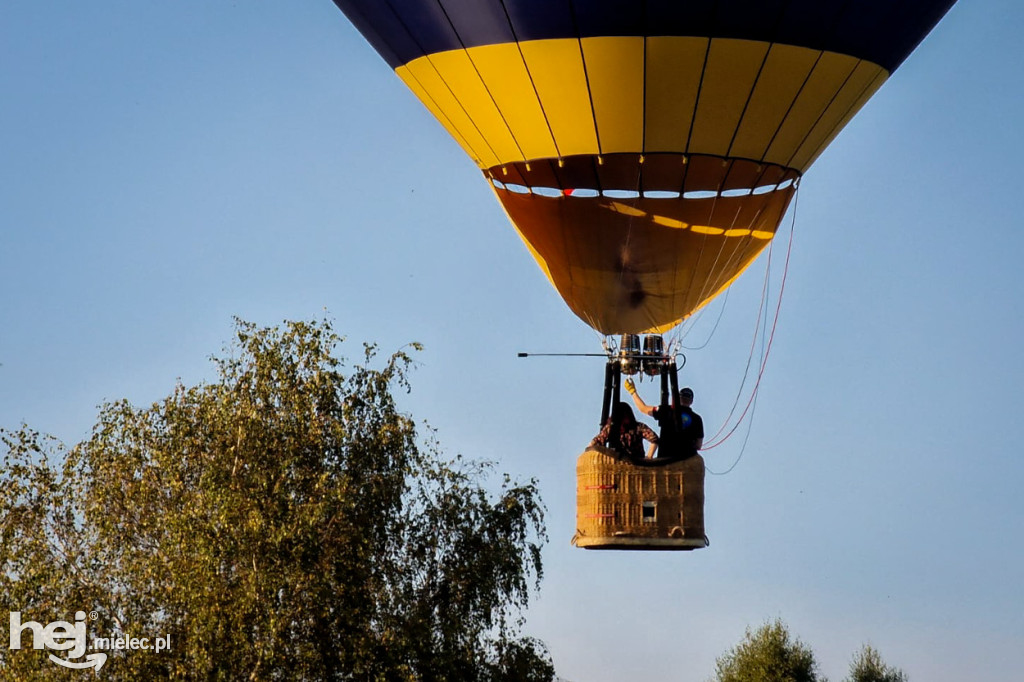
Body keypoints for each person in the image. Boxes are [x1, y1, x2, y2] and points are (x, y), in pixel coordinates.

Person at [624, 379, 703, 459]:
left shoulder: (666, 410)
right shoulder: (697, 419)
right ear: (691, 401)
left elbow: (643, 408)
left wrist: (632, 391)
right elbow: (698, 445)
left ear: (678, 398)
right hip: (686, 461)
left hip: (665, 460)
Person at [589, 401, 659, 461]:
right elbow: (595, 442)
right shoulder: (611, 428)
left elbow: (654, 439)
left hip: (636, 464)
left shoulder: (638, 427)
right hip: (617, 464)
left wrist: (649, 456)